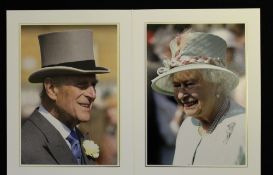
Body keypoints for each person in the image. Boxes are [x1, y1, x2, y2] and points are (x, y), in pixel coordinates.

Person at [151, 30, 245, 166]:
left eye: (189, 84)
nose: (181, 95)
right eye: (177, 85)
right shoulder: (187, 126)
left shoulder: (245, 129)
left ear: (217, 84)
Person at [21, 30, 110, 165]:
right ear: (51, 89)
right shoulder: (23, 148)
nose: (92, 94)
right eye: (82, 85)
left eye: (93, 84)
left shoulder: (77, 137)